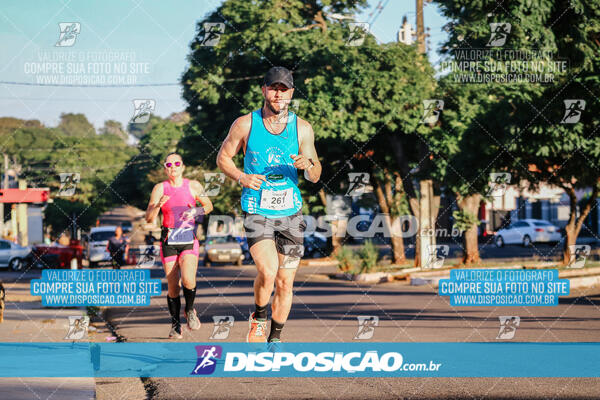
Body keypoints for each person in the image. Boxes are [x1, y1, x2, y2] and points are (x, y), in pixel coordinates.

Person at [217, 66, 322, 344]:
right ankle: (259, 317)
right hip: (257, 209)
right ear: (264, 90)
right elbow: (223, 158)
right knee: (268, 270)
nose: (278, 94)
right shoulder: (244, 124)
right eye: (273, 88)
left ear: (291, 93)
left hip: (290, 213)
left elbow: (316, 173)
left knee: (286, 282)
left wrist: (308, 164)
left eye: (283, 89)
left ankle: (275, 339)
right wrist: (241, 176)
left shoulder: (302, 128)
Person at [145, 153, 214, 339]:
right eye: (169, 164)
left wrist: (195, 211)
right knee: (173, 286)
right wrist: (158, 205)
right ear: (165, 168)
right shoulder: (160, 188)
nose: (173, 166)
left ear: (182, 166)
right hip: (168, 240)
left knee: (189, 279)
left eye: (176, 163)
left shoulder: (193, 186)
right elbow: (149, 218)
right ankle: (175, 325)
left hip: (188, 239)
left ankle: (190, 310)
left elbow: (208, 206)